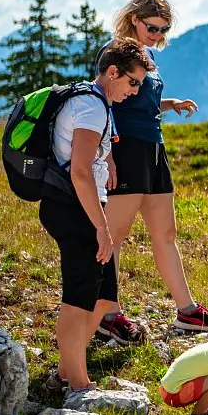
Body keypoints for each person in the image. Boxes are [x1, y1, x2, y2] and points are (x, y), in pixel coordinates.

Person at [95, 0, 208, 345]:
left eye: (163, 29)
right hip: (125, 150)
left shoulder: (147, 56)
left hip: (154, 149)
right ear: (133, 19)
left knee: (166, 233)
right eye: (151, 27)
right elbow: (103, 101)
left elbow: (143, 103)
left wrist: (171, 103)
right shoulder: (114, 54)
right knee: (114, 236)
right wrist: (106, 154)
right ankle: (108, 315)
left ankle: (187, 311)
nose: (156, 34)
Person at [42, 40, 154, 393]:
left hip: (80, 207)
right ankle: (78, 383)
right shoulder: (91, 108)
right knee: (78, 298)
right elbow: (79, 172)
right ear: (111, 73)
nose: (135, 92)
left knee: (102, 296)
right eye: (132, 82)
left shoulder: (94, 103)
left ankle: (64, 372)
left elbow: (89, 164)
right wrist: (102, 229)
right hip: (75, 209)